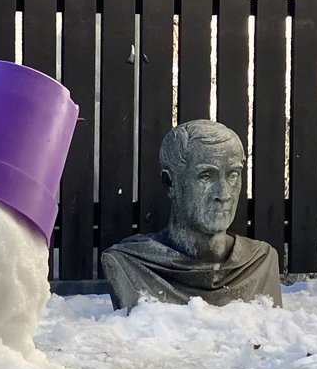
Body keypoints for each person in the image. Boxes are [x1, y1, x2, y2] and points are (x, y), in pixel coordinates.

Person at [101, 120, 282, 310]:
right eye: (206, 176)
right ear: (169, 182)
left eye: (233, 175)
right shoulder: (131, 265)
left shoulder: (259, 262)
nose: (224, 194)